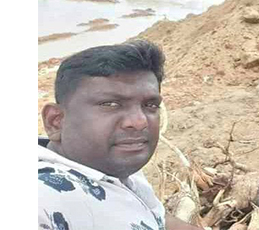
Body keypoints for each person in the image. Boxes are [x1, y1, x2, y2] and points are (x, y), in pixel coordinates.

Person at [38, 40, 200, 230]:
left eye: (150, 105)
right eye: (110, 104)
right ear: (55, 121)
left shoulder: (114, 168)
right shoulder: (43, 199)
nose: (139, 122)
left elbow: (157, 219)